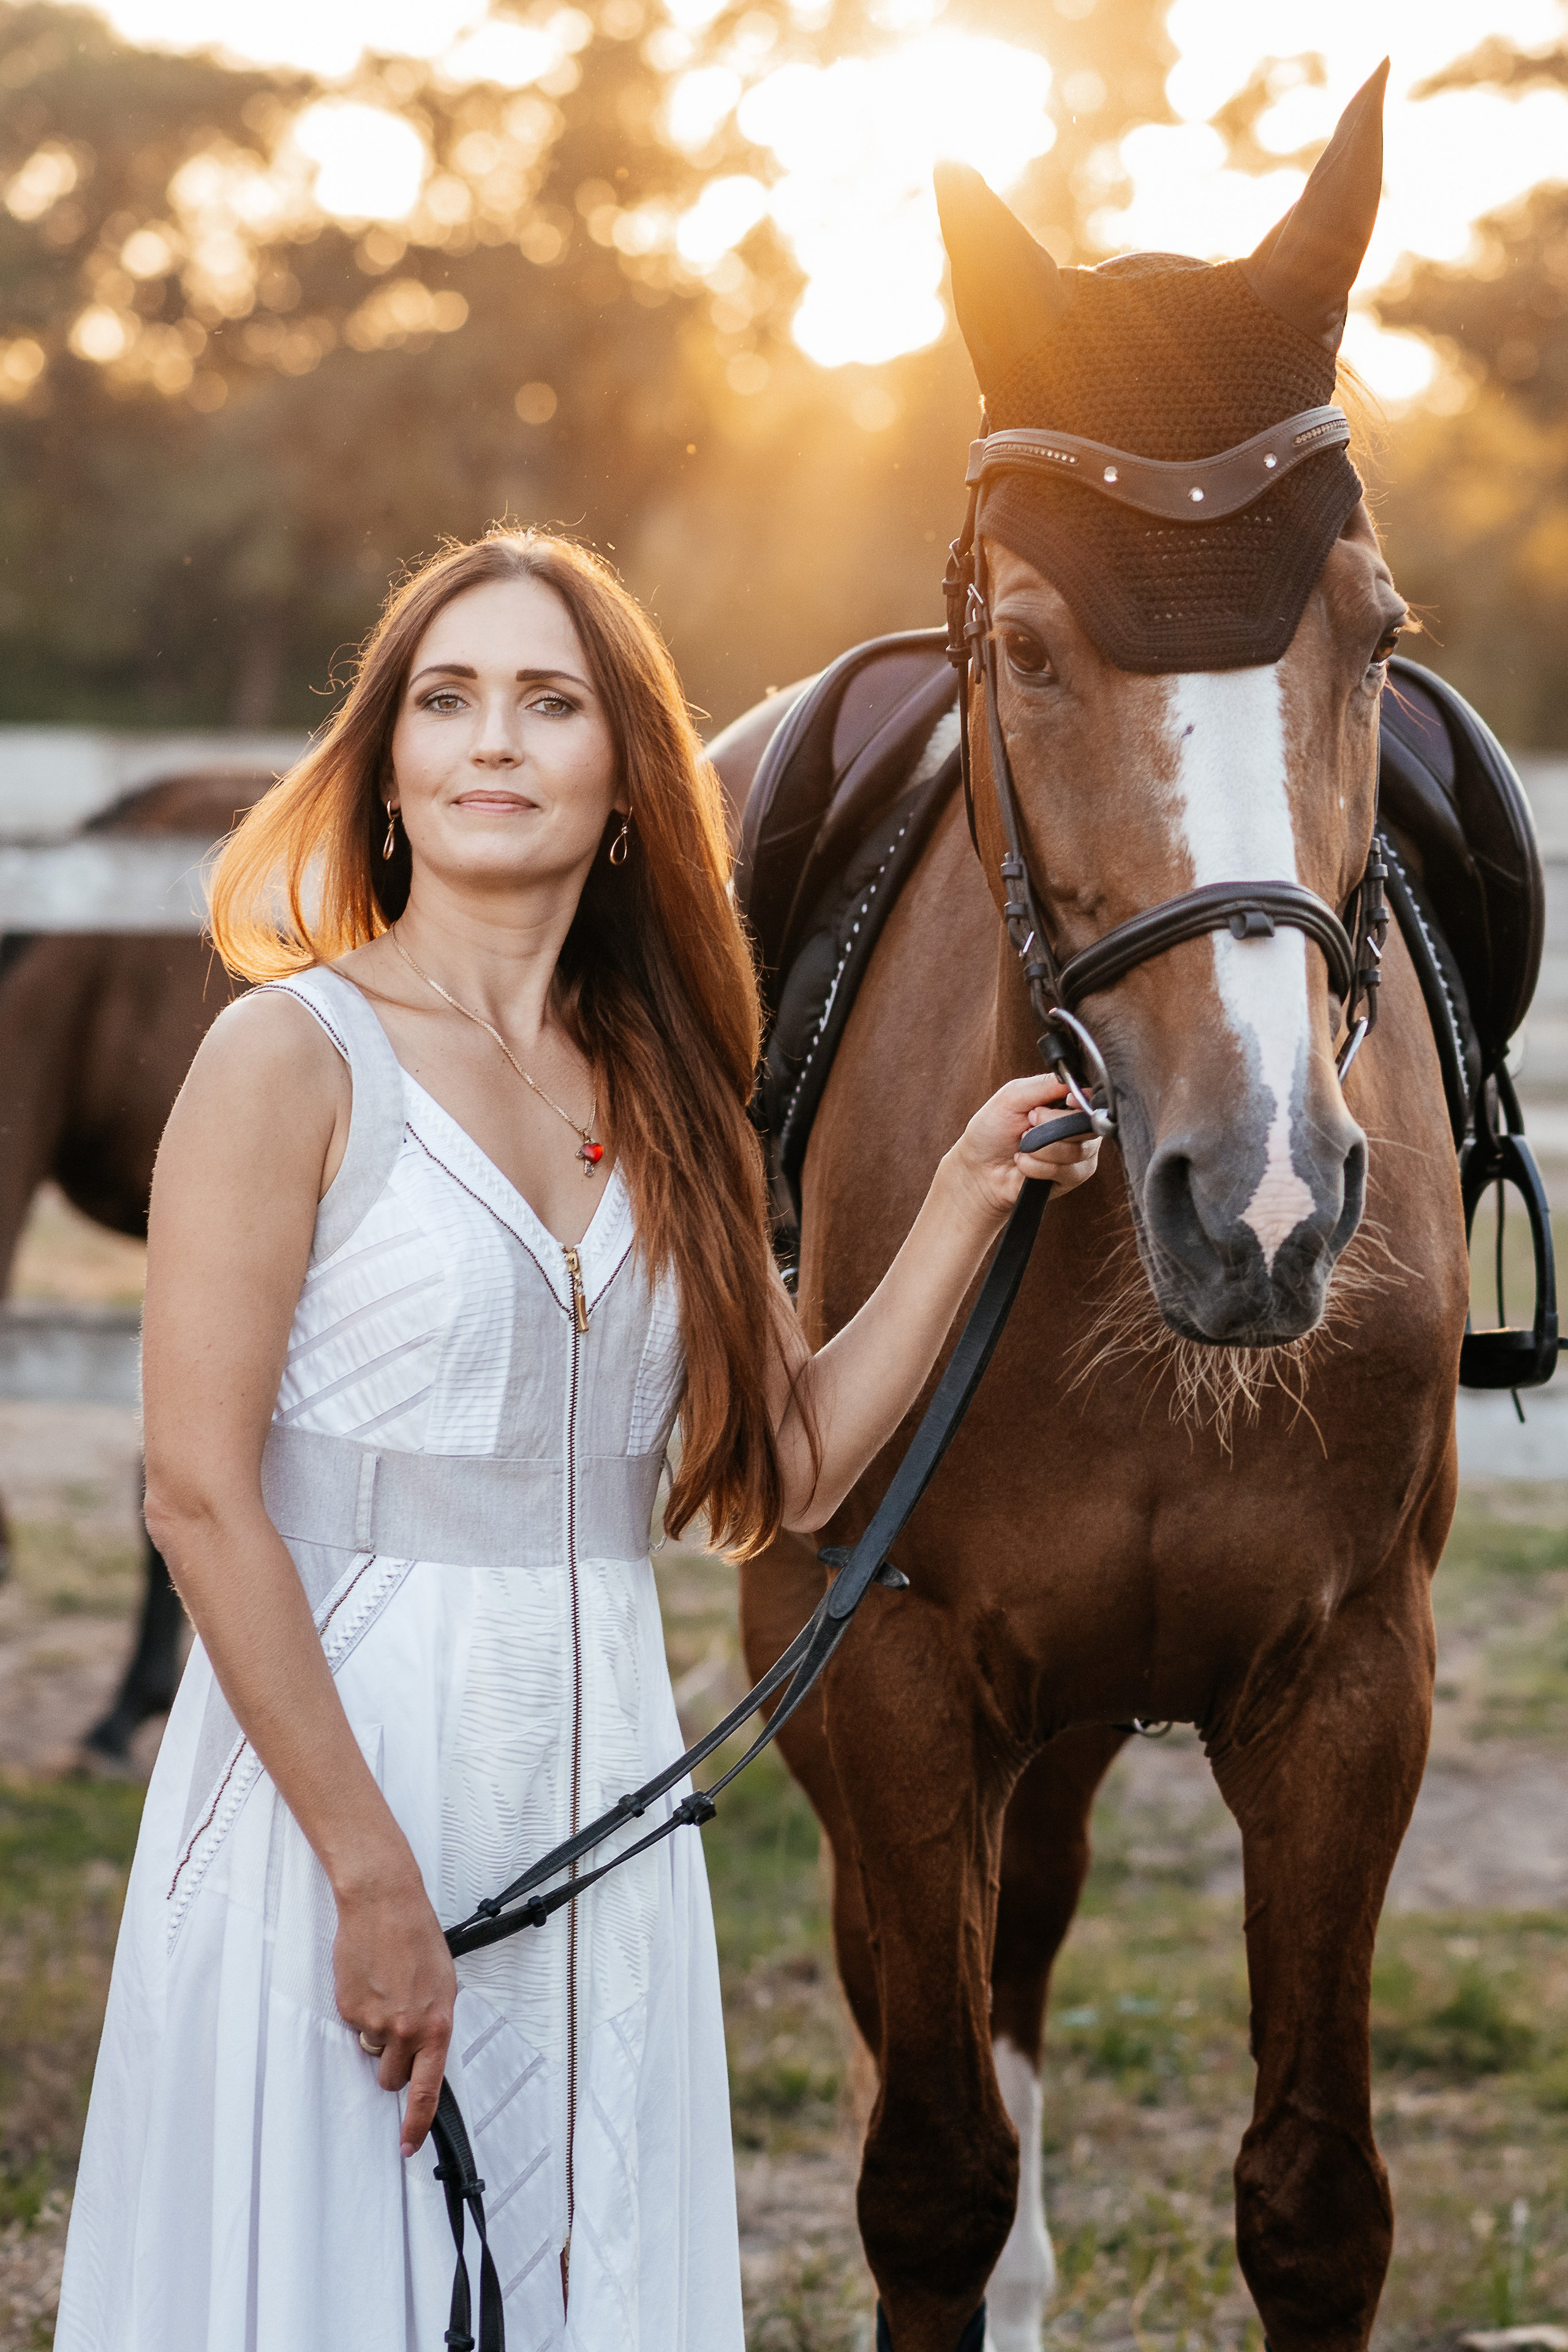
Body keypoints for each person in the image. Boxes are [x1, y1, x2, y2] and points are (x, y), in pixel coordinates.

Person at [53, 529, 1098, 2351]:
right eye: (445, 701)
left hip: (597, 1782)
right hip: (337, 1771)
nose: (493, 742)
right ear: (385, 763)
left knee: (573, 2271)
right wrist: (368, 1875)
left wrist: (963, 1197)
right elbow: (198, 1496)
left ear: (626, 774)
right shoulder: (289, 1060)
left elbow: (790, 1465)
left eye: (550, 703)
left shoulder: (675, 1083)